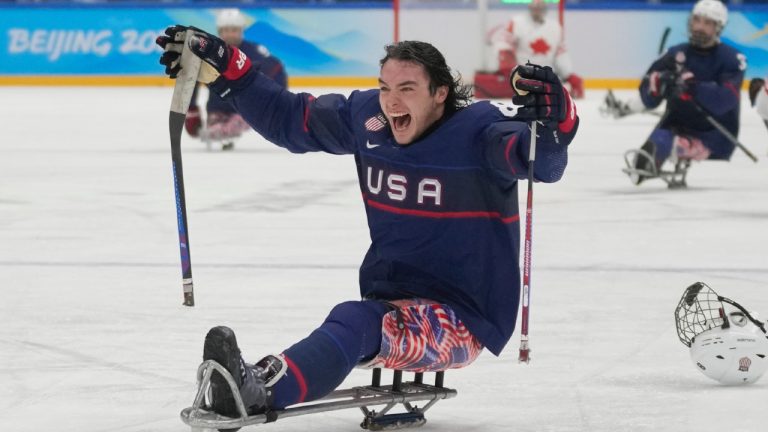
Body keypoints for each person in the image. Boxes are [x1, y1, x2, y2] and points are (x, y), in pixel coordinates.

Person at [157, 26, 579, 417]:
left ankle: (261, 391)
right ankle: (256, 381)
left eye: (407, 89)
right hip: (391, 298)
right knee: (359, 318)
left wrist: (560, 123)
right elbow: (289, 120)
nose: (392, 101)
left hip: (463, 317)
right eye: (385, 88)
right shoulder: (369, 119)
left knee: (355, 320)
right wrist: (234, 69)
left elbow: (542, 161)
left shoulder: (479, 133)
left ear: (440, 94)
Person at [623, 0, 746, 185]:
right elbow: (648, 98)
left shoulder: (731, 59)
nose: (700, 27)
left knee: (658, 152)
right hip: (675, 126)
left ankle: (682, 148)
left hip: (714, 134)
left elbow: (724, 100)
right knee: (642, 164)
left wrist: (692, 86)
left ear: (718, 27)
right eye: (697, 20)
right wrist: (657, 86)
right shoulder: (674, 54)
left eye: (707, 23)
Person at [185, 9, 287, 148]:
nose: (229, 34)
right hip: (217, 107)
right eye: (225, 30)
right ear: (219, 31)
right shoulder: (208, 52)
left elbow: (276, 69)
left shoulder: (254, 51)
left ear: (241, 30)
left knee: (225, 130)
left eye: (234, 30)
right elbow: (192, 78)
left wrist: (279, 102)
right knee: (213, 133)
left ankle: (239, 122)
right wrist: (192, 109)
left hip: (246, 108)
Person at [485, 0, 583, 99]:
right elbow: (504, 42)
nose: (537, 10)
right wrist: (506, 58)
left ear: (545, 9)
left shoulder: (555, 27)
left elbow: (560, 54)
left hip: (545, 75)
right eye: (534, 7)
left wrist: (568, 74)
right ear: (530, 8)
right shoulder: (517, 23)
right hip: (522, 74)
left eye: (539, 8)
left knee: (562, 92)